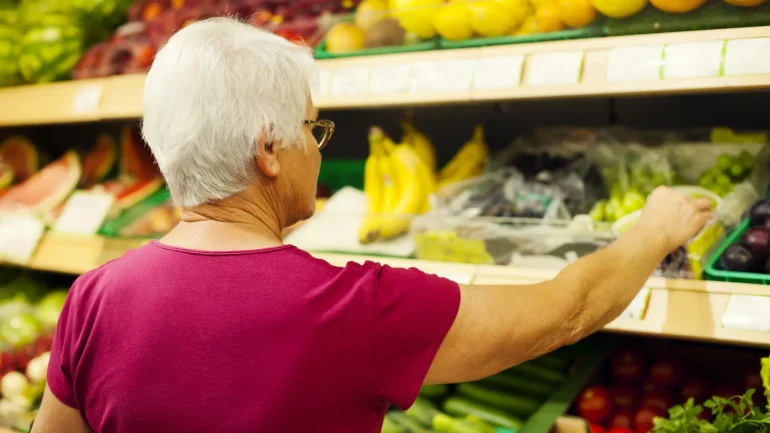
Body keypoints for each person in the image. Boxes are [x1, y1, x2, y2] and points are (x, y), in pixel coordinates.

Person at [31, 18, 712, 433]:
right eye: (311, 127)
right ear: (268, 149)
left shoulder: (94, 297)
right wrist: (653, 229)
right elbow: (568, 311)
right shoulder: (354, 307)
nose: (318, 148)